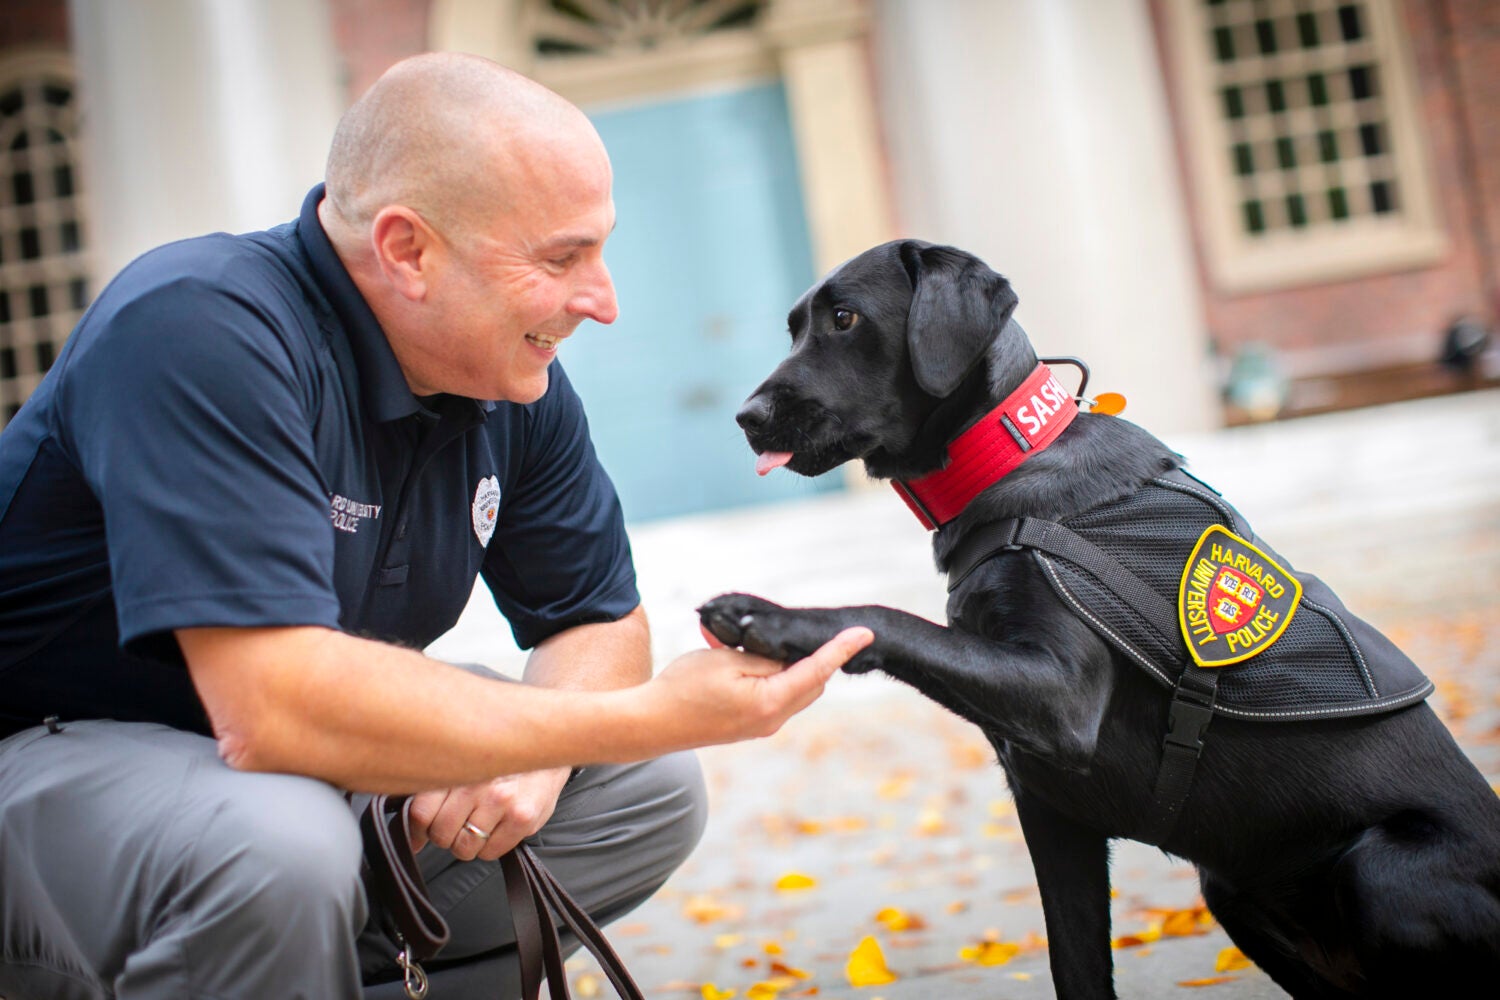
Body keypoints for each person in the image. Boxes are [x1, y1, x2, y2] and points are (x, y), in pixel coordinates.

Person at [0, 52, 872, 999]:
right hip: (55, 752)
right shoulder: (199, 325)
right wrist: (633, 717)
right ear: (408, 249)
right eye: (560, 257)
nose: (605, 301)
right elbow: (269, 705)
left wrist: (538, 759)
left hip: (267, 774)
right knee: (279, 848)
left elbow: (596, 619)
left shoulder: (506, 379)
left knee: (644, 793)